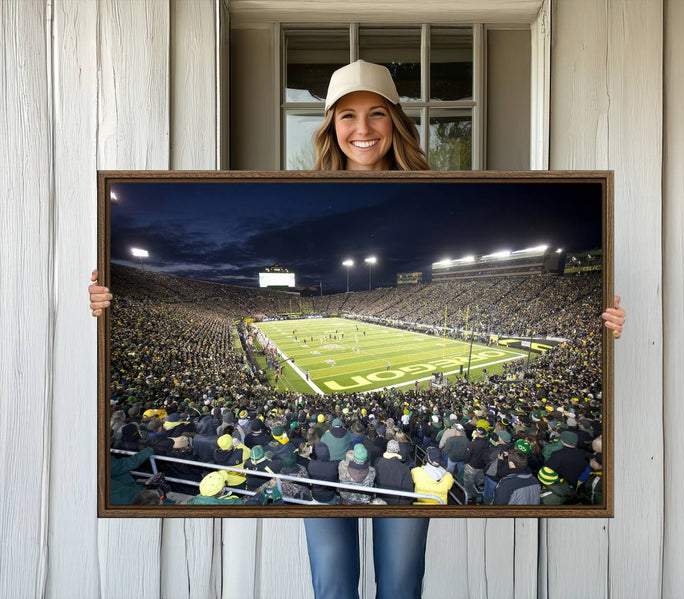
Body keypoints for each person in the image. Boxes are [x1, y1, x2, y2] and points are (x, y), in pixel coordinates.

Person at [88, 59, 627, 599]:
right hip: (348, 471)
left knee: (400, 584)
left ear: (396, 120)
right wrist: (106, 300)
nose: (362, 129)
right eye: (347, 116)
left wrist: (603, 325)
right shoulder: (300, 188)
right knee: (333, 584)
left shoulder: (436, 189)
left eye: (376, 114)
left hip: (352, 466)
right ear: (330, 126)